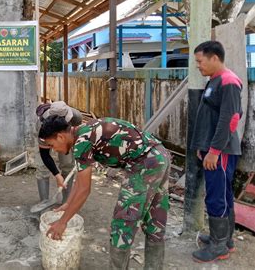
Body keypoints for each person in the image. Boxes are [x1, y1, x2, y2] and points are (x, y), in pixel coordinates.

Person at [39, 116, 170, 270]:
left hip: (145, 164)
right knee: (155, 222)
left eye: (52, 145)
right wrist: (68, 204)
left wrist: (62, 222)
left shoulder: (81, 143)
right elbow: (80, 181)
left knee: (122, 225)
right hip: (160, 154)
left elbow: (84, 190)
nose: (54, 150)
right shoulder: (84, 131)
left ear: (60, 136)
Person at [189, 41, 242, 263]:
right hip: (213, 150)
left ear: (214, 58)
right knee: (222, 194)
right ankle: (223, 239)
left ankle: (219, 246)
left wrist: (214, 151)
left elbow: (230, 120)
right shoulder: (215, 80)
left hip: (220, 152)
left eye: (200, 61)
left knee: (216, 196)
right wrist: (204, 147)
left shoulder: (228, 82)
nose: (198, 66)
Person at [35, 101, 82, 203]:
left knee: (68, 165)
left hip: (66, 137)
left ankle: (66, 202)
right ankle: (44, 202)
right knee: (42, 167)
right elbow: (45, 154)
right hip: (48, 136)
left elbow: (79, 132)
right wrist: (57, 175)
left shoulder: (76, 116)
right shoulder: (41, 126)